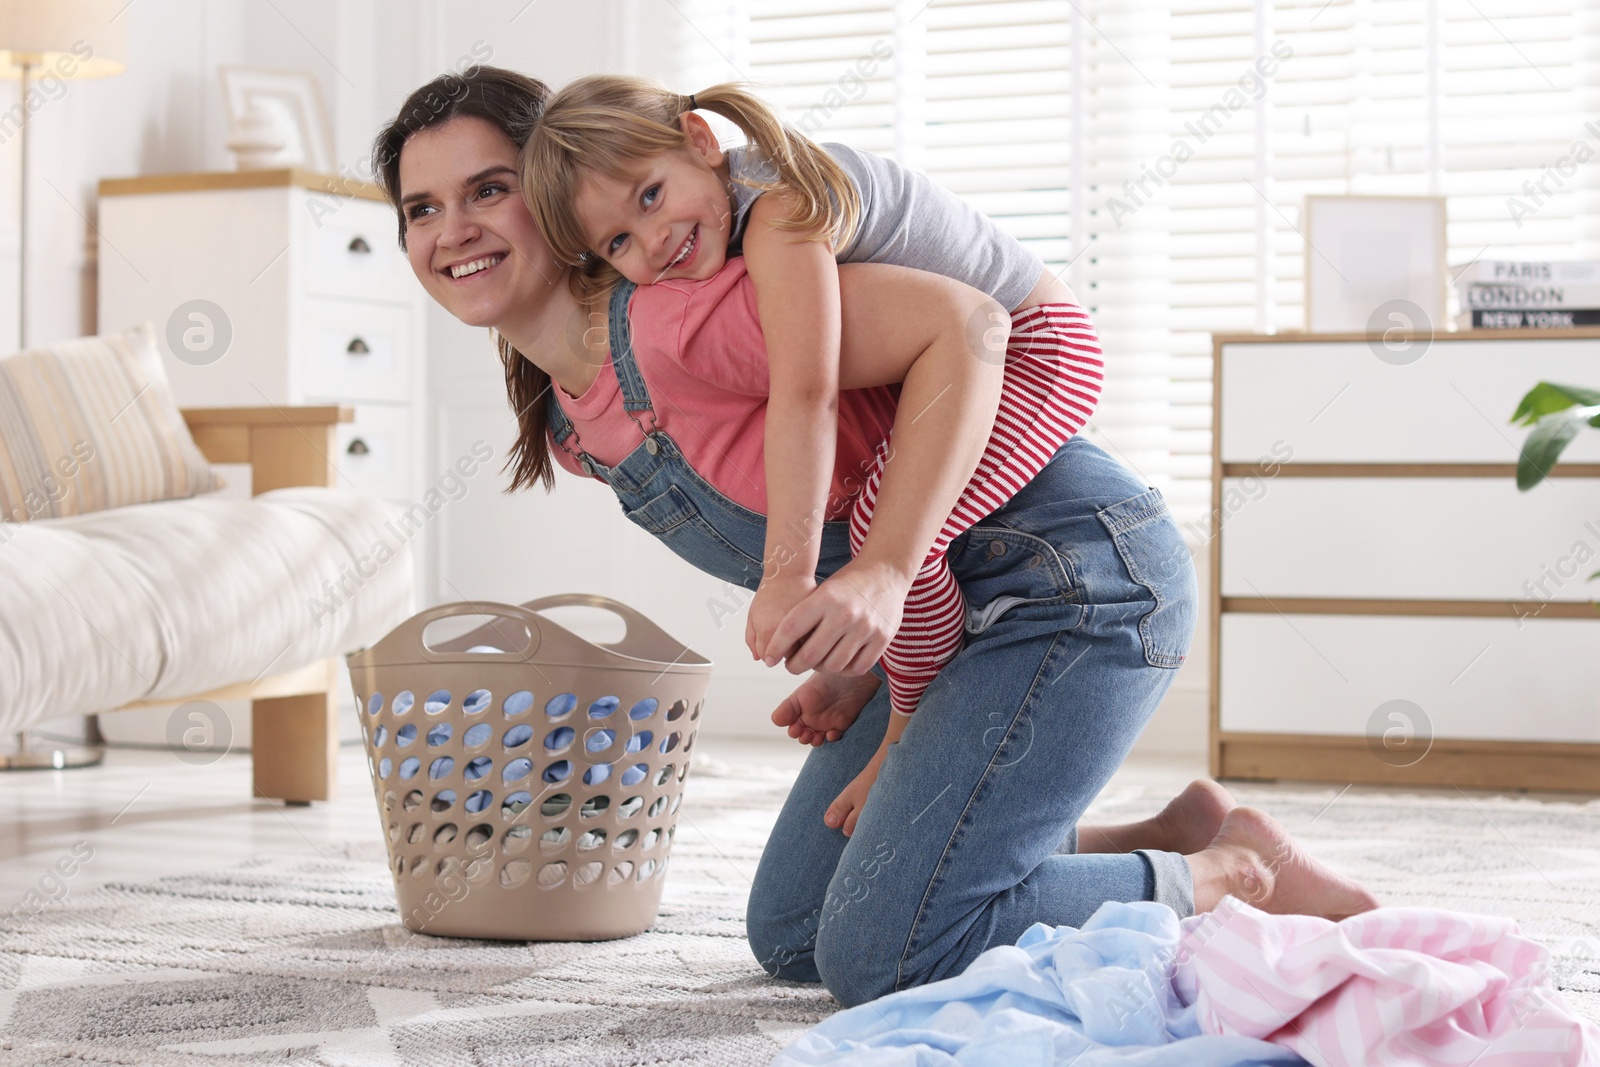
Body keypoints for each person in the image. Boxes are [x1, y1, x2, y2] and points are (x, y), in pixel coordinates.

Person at [373, 64, 1380, 1010]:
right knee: (796, 927)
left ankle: (1219, 877)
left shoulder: (701, 310)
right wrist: (863, 661)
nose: (452, 229)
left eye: (487, 189)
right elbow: (855, 490)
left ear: (552, 190)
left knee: (885, 949)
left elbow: (973, 326)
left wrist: (881, 573)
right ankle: (1172, 832)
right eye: (422, 208)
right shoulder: (573, 422)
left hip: (1075, 584)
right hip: (948, 620)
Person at [521, 76, 1106, 832]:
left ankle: (903, 734)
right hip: (965, 359)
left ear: (701, 141)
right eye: (618, 244)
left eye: (651, 196)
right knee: (880, 527)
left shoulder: (781, 209)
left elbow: (806, 394)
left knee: (884, 539)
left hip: (1035, 348)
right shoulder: (725, 220)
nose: (652, 241)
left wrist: (787, 574)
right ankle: (872, 669)